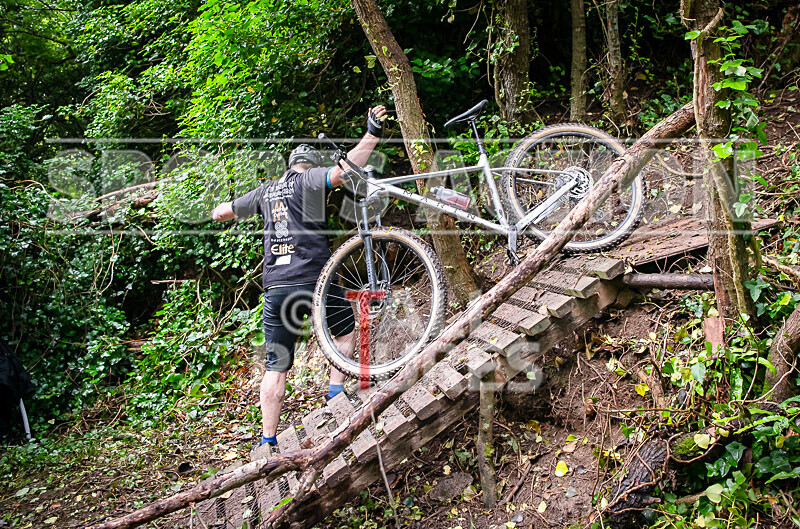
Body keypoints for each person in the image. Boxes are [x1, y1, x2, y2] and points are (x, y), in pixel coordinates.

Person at [210, 105, 387, 447]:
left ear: (289, 164)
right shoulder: (309, 179)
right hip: (316, 281)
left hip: (276, 287)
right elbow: (345, 170)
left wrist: (222, 211)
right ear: (309, 165)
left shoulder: (265, 191)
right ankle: (335, 392)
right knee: (345, 330)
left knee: (276, 365)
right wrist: (372, 134)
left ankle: (267, 440)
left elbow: (223, 212)